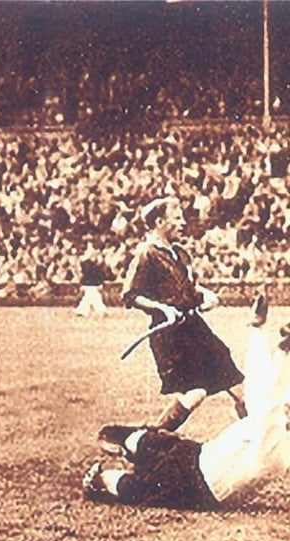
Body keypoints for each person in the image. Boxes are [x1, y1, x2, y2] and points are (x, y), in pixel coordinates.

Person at [83, 295, 290, 510]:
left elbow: (270, 401)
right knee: (154, 444)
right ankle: (126, 443)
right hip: (198, 454)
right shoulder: (274, 425)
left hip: (198, 485)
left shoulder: (278, 446)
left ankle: (101, 481)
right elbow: (259, 387)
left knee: (137, 487)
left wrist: (283, 354)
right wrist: (258, 328)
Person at [121, 196, 245, 431]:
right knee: (194, 394)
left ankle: (262, 448)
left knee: (239, 389)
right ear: (159, 222)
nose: (182, 223)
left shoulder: (179, 252)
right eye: (176, 218)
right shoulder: (146, 254)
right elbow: (130, 295)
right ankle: (146, 444)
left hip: (195, 327)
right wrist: (162, 308)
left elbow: (187, 289)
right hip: (170, 334)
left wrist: (206, 296)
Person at [74, 242, 111, 318]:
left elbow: (100, 275)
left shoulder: (92, 264)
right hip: (90, 284)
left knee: (90, 298)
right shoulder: (88, 264)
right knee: (93, 298)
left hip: (92, 285)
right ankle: (99, 310)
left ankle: (83, 311)